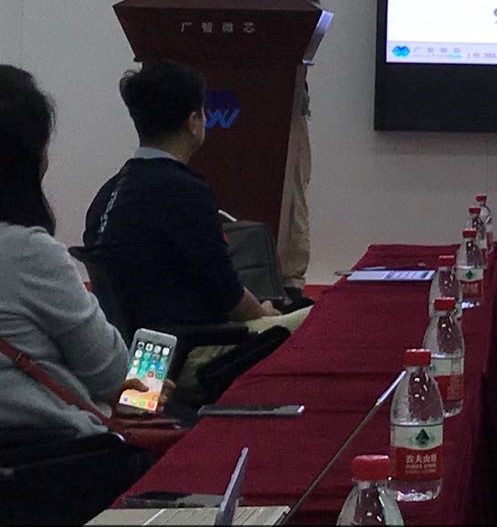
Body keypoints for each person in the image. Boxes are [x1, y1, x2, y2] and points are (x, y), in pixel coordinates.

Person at [83, 61, 307, 388]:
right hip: (192, 353)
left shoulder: (107, 194)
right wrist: (266, 314)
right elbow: (232, 301)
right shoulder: (184, 192)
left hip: (138, 361)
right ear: (194, 122)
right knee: (322, 319)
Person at [0, 65, 165, 439]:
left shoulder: (113, 192)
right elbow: (112, 376)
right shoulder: (28, 253)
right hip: (53, 456)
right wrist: (139, 388)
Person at [220, 0, 319, 300]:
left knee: (293, 194)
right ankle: (235, 273)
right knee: (236, 186)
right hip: (239, 107)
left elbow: (310, 41)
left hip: (289, 105)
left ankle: (292, 280)